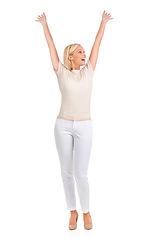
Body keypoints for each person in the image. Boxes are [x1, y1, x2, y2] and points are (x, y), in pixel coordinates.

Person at [35, 10, 113, 230]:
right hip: (62, 126)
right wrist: (44, 26)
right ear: (70, 56)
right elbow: (51, 48)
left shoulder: (88, 71)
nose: (84, 54)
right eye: (80, 52)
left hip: (84, 126)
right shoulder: (61, 71)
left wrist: (103, 23)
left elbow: (97, 45)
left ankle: (87, 211)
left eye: (84, 51)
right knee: (66, 171)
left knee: (81, 173)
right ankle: (72, 212)